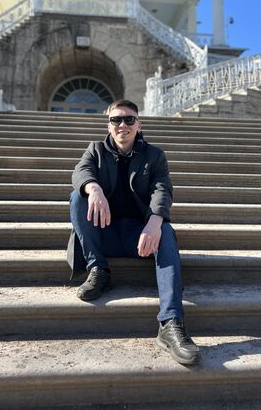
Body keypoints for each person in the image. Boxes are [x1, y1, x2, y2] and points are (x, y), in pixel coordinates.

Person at [67, 99, 199, 366]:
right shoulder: (95, 150)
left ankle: (171, 322)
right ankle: (98, 269)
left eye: (129, 119)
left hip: (139, 238)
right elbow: (81, 172)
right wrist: (93, 188)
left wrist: (155, 221)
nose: (122, 125)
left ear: (139, 125)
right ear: (109, 125)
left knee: (166, 231)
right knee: (78, 196)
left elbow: (162, 189)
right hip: (103, 234)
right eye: (116, 120)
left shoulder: (154, 155)